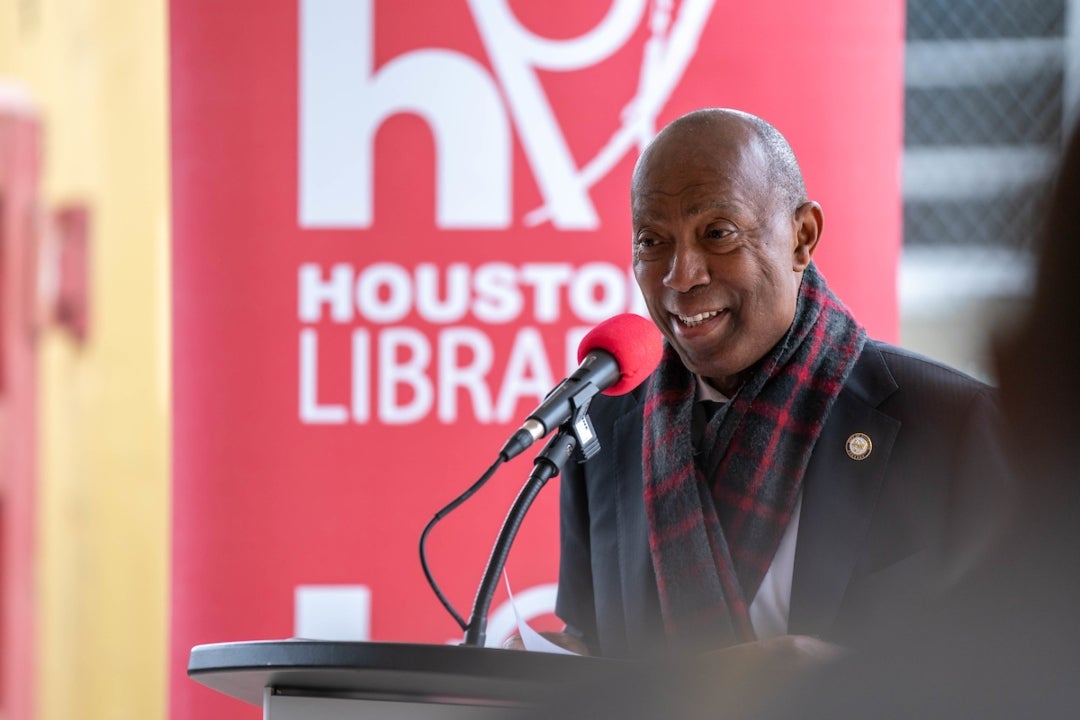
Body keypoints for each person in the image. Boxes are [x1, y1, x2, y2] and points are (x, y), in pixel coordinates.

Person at [553, 108, 1014, 661]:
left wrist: (838, 682)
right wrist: (521, 669)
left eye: (717, 234)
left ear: (802, 237)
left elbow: (1021, 674)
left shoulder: (952, 426)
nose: (681, 275)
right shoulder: (604, 422)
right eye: (652, 241)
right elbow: (594, 648)